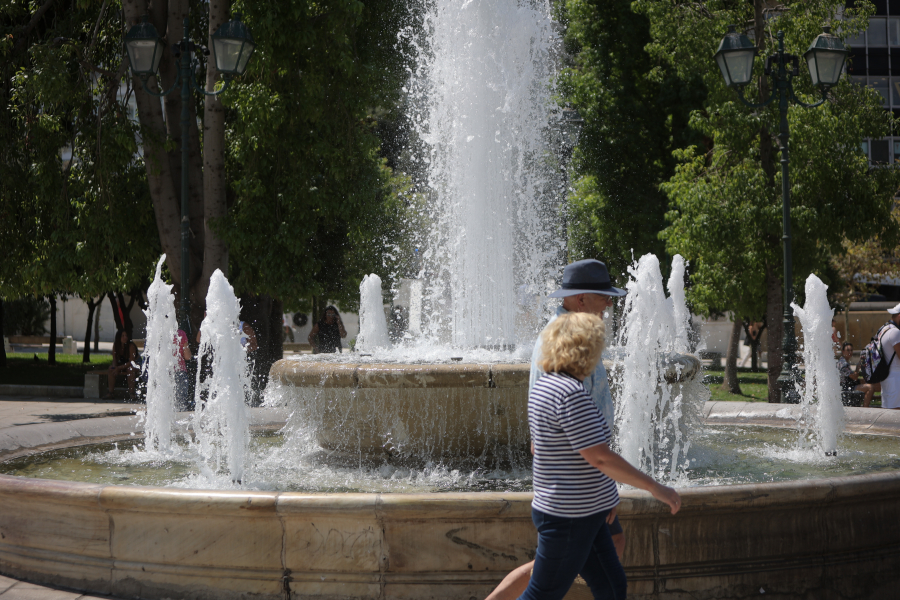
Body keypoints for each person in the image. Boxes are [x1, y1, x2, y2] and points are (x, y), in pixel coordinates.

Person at [487, 259, 627, 600]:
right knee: (548, 578)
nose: (610, 303)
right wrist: (604, 482)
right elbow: (548, 429)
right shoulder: (557, 345)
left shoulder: (573, 339)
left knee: (595, 570)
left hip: (584, 486)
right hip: (576, 490)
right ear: (580, 300)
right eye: (603, 296)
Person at [519, 312, 680, 600]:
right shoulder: (570, 393)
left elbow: (567, 455)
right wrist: (656, 487)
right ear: (586, 349)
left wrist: (604, 499)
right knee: (540, 595)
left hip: (581, 513)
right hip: (569, 517)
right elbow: (600, 458)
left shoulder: (546, 385)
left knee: (611, 587)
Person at [876, 303, 900, 409]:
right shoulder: (895, 332)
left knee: (887, 412)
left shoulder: (884, 329)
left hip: (886, 377)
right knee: (896, 413)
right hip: (896, 378)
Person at [104, 330, 139, 399]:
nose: (125, 337)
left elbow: (132, 362)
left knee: (130, 369)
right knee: (111, 369)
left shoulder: (131, 346)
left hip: (136, 364)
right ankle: (111, 393)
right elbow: (114, 359)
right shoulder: (116, 345)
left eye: (126, 335)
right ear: (118, 337)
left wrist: (119, 368)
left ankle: (132, 393)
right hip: (123, 364)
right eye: (123, 336)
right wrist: (114, 367)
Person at [174, 327, 192, 410]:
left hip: (163, 372)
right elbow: (188, 356)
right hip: (179, 370)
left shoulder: (158, 333)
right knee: (180, 405)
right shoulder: (181, 334)